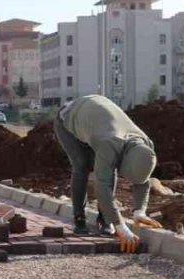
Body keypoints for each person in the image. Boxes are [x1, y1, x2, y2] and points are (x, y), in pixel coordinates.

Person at [53, 94, 161, 253]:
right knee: (82, 165)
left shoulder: (145, 145)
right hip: (68, 118)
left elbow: (143, 180)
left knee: (108, 165)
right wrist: (120, 225)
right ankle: (79, 218)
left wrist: (140, 211)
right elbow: (102, 185)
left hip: (97, 121)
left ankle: (104, 219)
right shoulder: (109, 144)